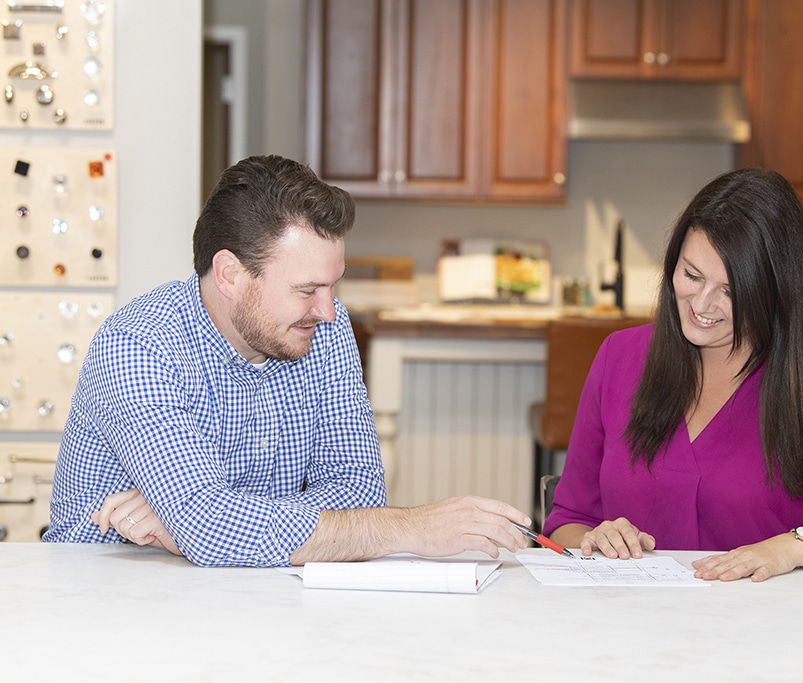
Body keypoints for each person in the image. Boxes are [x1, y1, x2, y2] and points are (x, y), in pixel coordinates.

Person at [43, 155, 531, 566]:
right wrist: (406, 529)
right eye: (306, 289)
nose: (328, 309)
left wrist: (199, 523)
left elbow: (359, 491)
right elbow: (211, 526)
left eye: (333, 285)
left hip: (252, 591)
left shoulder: (324, 326)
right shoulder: (139, 345)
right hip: (108, 589)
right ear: (230, 274)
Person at [543, 168, 803, 582]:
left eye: (731, 290)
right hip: (642, 631)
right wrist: (598, 539)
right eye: (692, 275)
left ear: (776, 293)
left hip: (775, 632)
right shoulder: (620, 357)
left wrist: (793, 547)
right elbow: (568, 522)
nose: (702, 304)